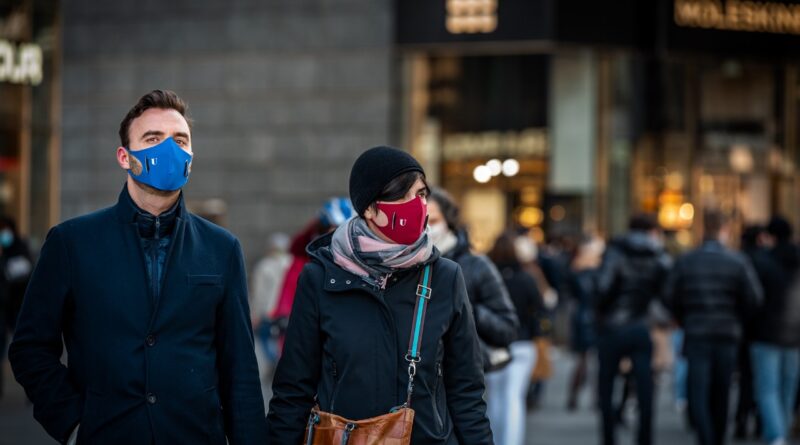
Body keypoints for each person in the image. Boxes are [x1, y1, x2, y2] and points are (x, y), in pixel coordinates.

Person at [8, 90, 267, 444]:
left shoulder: (221, 248)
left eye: (180, 140)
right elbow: (30, 348)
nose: (169, 150)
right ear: (124, 157)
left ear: (191, 155)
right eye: (152, 138)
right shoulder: (72, 243)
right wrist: (73, 425)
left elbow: (240, 370)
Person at [266, 146, 493, 444]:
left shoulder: (445, 277)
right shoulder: (321, 277)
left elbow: (466, 391)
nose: (418, 205)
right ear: (370, 208)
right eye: (403, 195)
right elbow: (293, 391)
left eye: (422, 194)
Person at [663, 210, 763, 445]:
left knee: (699, 390)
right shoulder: (736, 261)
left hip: (697, 331)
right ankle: (715, 438)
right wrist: (737, 319)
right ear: (725, 231)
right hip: (726, 333)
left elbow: (669, 295)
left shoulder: (688, 261)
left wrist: (683, 316)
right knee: (721, 390)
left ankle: (706, 437)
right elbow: (754, 299)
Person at [595, 214, 671, 445]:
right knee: (646, 386)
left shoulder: (615, 252)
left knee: (606, 387)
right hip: (640, 327)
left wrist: (601, 312)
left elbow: (602, 288)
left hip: (611, 328)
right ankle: (644, 437)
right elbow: (667, 293)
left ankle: (609, 438)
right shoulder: (658, 256)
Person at [427, 187, 518, 372]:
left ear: (449, 221)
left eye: (433, 220)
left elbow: (508, 329)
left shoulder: (477, 266)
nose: (427, 228)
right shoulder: (403, 264)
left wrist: (467, 310)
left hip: (461, 374)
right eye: (420, 221)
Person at [269, 197, 354, 355]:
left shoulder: (359, 262)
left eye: (342, 229)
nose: (336, 236)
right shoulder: (303, 264)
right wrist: (284, 318)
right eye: (330, 229)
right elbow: (287, 297)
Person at [487, 230, 546, 445]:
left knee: (494, 397)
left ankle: (493, 440)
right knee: (514, 398)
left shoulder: (488, 278)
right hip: (522, 342)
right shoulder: (526, 278)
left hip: (492, 343)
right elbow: (539, 308)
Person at [749, 216, 800, 445]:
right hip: (795, 335)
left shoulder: (762, 261)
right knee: (788, 388)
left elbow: (752, 299)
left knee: (768, 388)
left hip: (766, 333)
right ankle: (782, 430)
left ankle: (777, 434)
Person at [566, 234, 605, 411]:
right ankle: (584, 397)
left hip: (586, 317)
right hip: (588, 318)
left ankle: (584, 397)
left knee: (587, 361)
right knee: (586, 360)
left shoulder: (581, 271)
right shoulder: (585, 272)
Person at [250, 232, 291, 379]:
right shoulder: (292, 263)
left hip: (269, 311)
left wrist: (255, 314)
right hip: (289, 310)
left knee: (265, 337)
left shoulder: (264, 266)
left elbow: (260, 293)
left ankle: (274, 361)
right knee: (285, 339)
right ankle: (283, 363)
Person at [0, 215, 32, 399]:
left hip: (19, 306)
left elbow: (23, 270)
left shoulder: (19, 247)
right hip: (3, 309)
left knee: (24, 348)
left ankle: (32, 390)